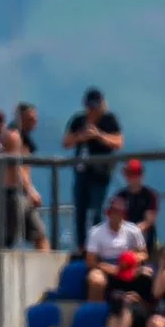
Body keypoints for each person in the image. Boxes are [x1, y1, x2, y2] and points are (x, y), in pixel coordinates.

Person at [64, 87, 124, 247]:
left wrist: (99, 135)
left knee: (97, 211)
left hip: (101, 174)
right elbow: (66, 142)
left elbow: (118, 142)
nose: (93, 110)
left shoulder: (109, 120)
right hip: (82, 173)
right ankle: (82, 246)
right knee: (80, 211)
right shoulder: (78, 120)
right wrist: (80, 136)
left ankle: (97, 245)